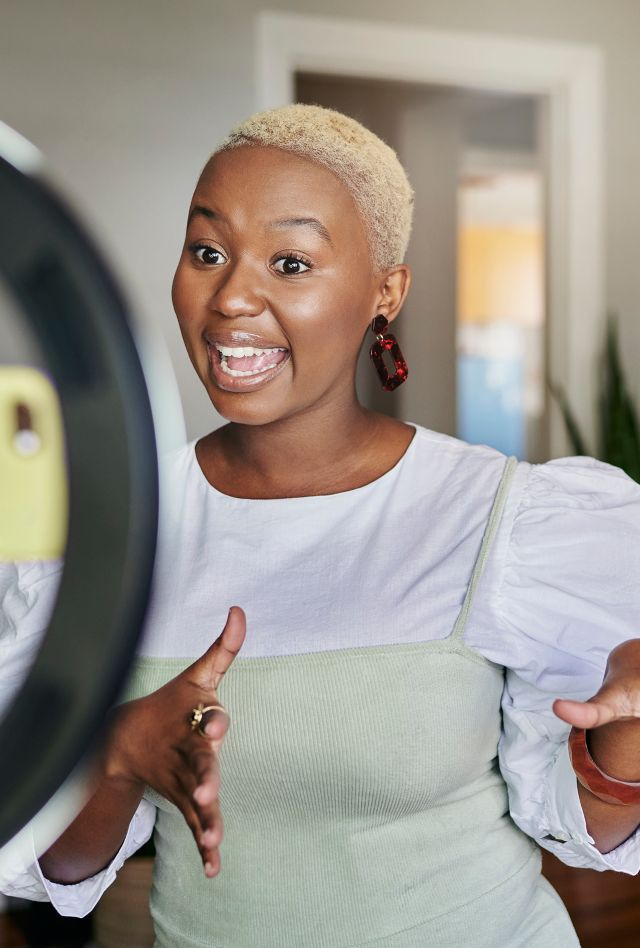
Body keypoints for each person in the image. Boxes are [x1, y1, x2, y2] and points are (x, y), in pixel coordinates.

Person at [2, 103, 640, 947]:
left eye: (292, 261)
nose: (231, 297)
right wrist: (120, 755)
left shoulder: (502, 518)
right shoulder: (119, 529)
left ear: (386, 293)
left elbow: (575, 824)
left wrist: (625, 740)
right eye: (207, 251)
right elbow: (55, 872)